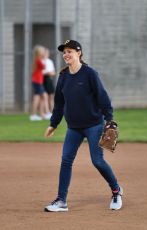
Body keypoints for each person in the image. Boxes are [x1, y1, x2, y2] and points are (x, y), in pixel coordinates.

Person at [44, 40, 123, 212]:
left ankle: (116, 190)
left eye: (69, 51)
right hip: (73, 128)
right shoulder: (63, 76)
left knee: (97, 161)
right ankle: (61, 201)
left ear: (79, 53)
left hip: (94, 125)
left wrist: (109, 120)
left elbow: (103, 97)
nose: (66, 55)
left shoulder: (90, 74)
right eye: (64, 52)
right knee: (66, 160)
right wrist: (53, 124)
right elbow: (59, 103)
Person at [30, 45, 52, 121]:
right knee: (39, 97)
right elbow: (44, 67)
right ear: (39, 52)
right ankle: (34, 115)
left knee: (42, 97)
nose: (44, 52)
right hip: (37, 81)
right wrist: (45, 58)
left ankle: (43, 114)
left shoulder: (37, 59)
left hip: (37, 81)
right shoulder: (38, 60)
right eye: (42, 51)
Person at [43, 48, 56, 114]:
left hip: (49, 79)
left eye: (47, 53)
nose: (46, 54)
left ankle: (52, 111)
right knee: (45, 96)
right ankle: (47, 111)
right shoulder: (41, 61)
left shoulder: (50, 61)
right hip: (43, 79)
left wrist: (51, 73)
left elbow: (53, 72)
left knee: (51, 96)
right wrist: (46, 73)